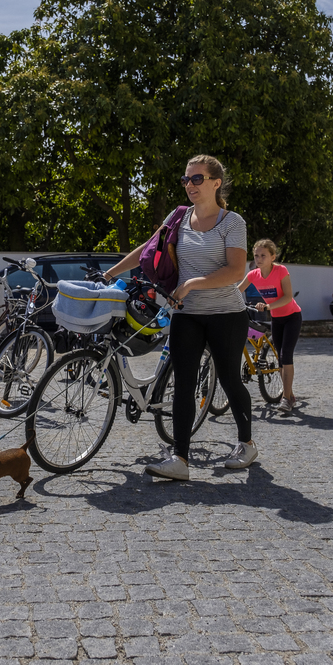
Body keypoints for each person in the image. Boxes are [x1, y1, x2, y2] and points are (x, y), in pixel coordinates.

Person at [105, 155, 253, 480]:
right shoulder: (179, 216)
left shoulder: (232, 222)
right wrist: (111, 272)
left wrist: (191, 284)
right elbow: (148, 247)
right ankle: (180, 460)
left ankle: (246, 443)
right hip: (186, 314)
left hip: (227, 314)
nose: (190, 185)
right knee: (183, 383)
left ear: (216, 182)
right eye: (186, 180)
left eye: (197, 179)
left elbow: (236, 270)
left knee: (229, 378)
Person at [240, 239, 302, 413]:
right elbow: (237, 290)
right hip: (277, 319)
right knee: (281, 361)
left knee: (285, 355)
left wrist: (267, 306)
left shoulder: (281, 270)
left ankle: (286, 399)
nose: (259, 259)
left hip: (292, 317)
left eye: (263, 255)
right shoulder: (253, 275)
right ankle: (290, 395)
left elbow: (288, 297)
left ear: (273, 256)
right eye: (256, 255)